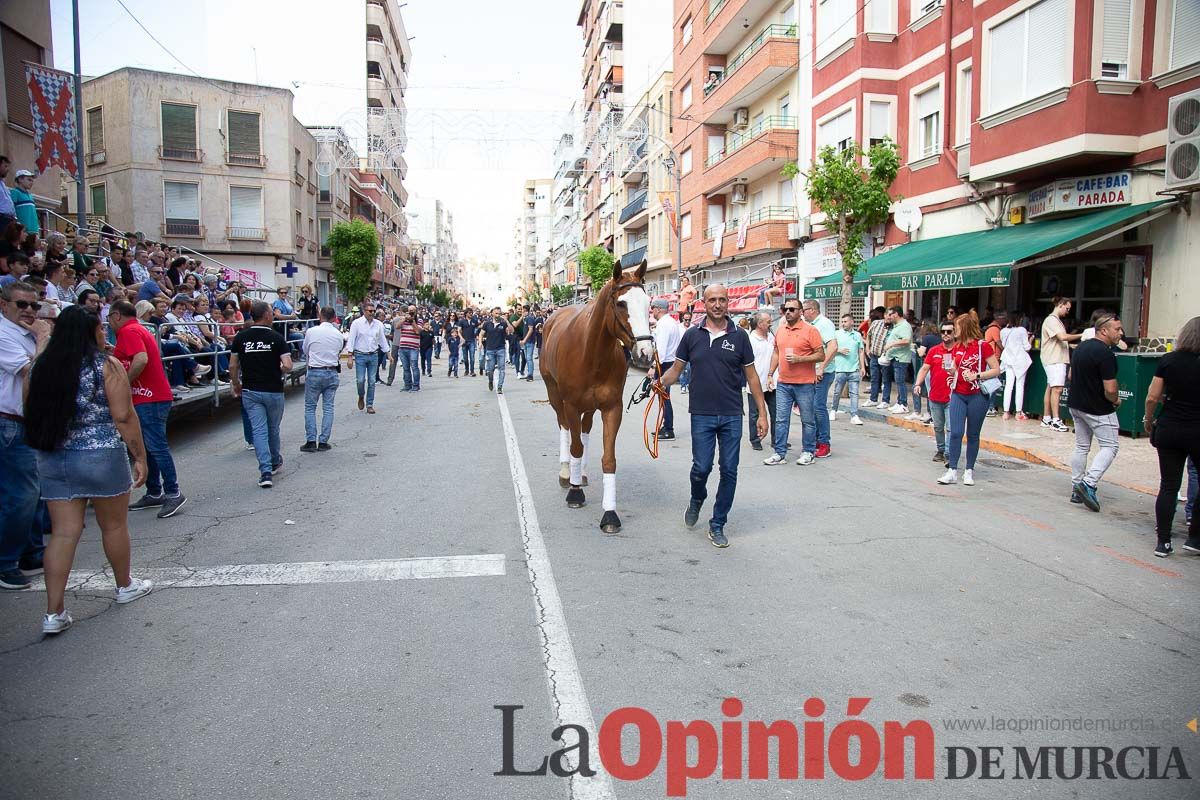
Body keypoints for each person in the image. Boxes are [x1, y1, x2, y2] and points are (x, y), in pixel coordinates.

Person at [24, 306, 154, 634]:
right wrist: (139, 456)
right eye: (100, 328)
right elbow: (123, 416)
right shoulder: (105, 365)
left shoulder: (40, 366)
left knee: (64, 532)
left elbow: (29, 407)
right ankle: (124, 585)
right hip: (100, 454)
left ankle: (54, 611)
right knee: (113, 526)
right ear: (92, 331)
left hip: (54, 457)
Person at [655, 284, 770, 548]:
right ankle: (697, 498)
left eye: (722, 300)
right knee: (701, 468)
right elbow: (676, 369)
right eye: (712, 300)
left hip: (731, 414)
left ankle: (717, 524)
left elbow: (752, 378)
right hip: (702, 414)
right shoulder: (692, 336)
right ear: (703, 304)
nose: (717, 304)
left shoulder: (740, 336)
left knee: (729, 470)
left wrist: (762, 414)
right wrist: (659, 382)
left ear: (727, 303)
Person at [108, 300, 186, 518]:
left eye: (108, 319)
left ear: (116, 316)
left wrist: (124, 382)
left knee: (156, 445)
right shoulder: (138, 329)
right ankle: (154, 492)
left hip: (149, 398)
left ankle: (173, 492)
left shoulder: (129, 331)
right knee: (148, 446)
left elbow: (140, 359)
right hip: (150, 396)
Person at [0, 282, 51, 590]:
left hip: (27, 420)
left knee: (34, 492)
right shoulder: (5, 334)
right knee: (21, 495)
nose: (30, 311)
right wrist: (44, 337)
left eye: (34, 305)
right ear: (4, 304)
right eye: (22, 305)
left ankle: (30, 552)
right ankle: (6, 561)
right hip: (9, 422)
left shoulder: (24, 334)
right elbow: (34, 372)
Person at [1064, 312, 1124, 512]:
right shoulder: (1106, 354)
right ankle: (1088, 484)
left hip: (1076, 404)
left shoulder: (1081, 347)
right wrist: (1115, 400)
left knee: (1082, 446)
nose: (1120, 333)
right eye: (1117, 329)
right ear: (1104, 330)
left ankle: (1076, 486)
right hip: (1098, 408)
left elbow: (1071, 375)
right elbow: (1111, 389)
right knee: (1110, 446)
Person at [230, 301, 292, 488]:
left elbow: (233, 365)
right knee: (272, 429)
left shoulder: (241, 337)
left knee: (258, 430)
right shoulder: (276, 337)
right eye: (272, 313)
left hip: (251, 390)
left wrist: (235, 383)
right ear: (266, 315)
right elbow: (288, 365)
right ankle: (274, 461)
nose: (273, 316)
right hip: (273, 389)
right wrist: (278, 369)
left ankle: (265, 471)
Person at [937, 314, 1001, 486]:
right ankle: (952, 470)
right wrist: (951, 370)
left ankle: (969, 470)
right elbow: (956, 368)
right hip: (958, 393)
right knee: (956, 432)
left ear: (964, 328)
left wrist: (977, 375)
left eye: (956, 327)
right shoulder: (957, 347)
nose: (954, 330)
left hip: (977, 395)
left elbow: (996, 370)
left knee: (973, 434)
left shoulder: (983, 347)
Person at [764, 300, 824, 466]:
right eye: (785, 309)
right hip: (783, 382)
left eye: (792, 309)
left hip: (804, 383)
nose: (787, 312)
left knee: (808, 420)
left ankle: (808, 452)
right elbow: (777, 352)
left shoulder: (810, 331)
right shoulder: (781, 330)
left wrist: (800, 359)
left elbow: (821, 355)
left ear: (800, 312)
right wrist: (770, 374)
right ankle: (779, 453)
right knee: (781, 419)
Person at [300, 307, 343, 453]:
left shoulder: (311, 332)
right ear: (333, 317)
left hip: (315, 370)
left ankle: (311, 440)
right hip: (331, 371)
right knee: (328, 407)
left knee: (310, 407)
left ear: (320, 316)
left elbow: (305, 350)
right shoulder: (338, 334)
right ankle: (324, 441)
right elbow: (338, 350)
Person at [913, 320, 956, 463]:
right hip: (935, 396)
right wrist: (918, 384)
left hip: (952, 397)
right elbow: (924, 368)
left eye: (949, 332)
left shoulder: (959, 350)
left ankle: (949, 454)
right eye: (943, 332)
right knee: (938, 427)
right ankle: (941, 450)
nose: (945, 334)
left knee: (950, 427)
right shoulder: (934, 350)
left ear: (955, 333)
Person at [801, 299, 838, 457]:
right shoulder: (811, 325)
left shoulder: (824, 324)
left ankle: (824, 443)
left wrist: (822, 367)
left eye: (804, 310)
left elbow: (833, 346)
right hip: (812, 372)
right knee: (811, 408)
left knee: (818, 407)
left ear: (812, 310)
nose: (802, 313)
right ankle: (816, 439)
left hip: (823, 372)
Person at [1040, 297, 1082, 432]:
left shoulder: (1053, 320)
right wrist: (1083, 334)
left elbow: (1061, 340)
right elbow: (1062, 337)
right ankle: (1056, 420)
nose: (1068, 312)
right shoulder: (1052, 320)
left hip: (1052, 357)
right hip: (1055, 359)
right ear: (1060, 305)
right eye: (1067, 308)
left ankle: (1047, 418)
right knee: (1057, 389)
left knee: (1051, 387)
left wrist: (1071, 345)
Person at [648, 298, 682, 439]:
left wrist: (653, 367)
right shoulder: (671, 323)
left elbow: (660, 351)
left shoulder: (663, 325)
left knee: (664, 398)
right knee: (663, 397)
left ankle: (669, 429)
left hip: (664, 364)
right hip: (670, 362)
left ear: (659, 309)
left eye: (653, 308)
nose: (652, 311)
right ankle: (666, 426)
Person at [345, 303, 387, 411]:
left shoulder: (378, 324)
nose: (372, 313)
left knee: (372, 381)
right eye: (370, 311)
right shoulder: (356, 323)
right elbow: (351, 340)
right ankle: (361, 395)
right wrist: (350, 356)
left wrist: (388, 353)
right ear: (364, 311)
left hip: (373, 355)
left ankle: (369, 404)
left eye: (374, 311)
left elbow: (382, 339)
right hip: (360, 355)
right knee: (360, 380)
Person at [746, 311, 777, 451]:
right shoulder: (750, 340)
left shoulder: (771, 337)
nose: (770, 323)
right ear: (759, 324)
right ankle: (755, 439)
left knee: (776, 413)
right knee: (755, 414)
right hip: (755, 384)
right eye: (768, 321)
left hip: (772, 383)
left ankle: (777, 439)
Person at [830, 313, 865, 425]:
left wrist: (862, 367)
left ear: (851, 322)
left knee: (854, 393)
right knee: (837, 392)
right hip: (840, 369)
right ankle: (833, 410)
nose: (843, 324)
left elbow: (861, 351)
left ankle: (854, 414)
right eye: (842, 321)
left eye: (845, 321)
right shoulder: (836, 334)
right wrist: (839, 350)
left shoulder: (857, 335)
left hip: (854, 369)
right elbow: (830, 348)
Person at [998, 312, 1033, 420]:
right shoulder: (1022, 330)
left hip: (1008, 360)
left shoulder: (1003, 331)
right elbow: (1027, 347)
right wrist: (1031, 339)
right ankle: (1018, 413)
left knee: (1008, 386)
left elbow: (1003, 345)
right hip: (1020, 360)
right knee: (1019, 386)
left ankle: (1005, 412)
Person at [881, 305, 913, 414]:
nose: (889, 317)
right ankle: (899, 402)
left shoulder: (904, 326)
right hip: (895, 357)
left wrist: (891, 344)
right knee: (897, 381)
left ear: (896, 314)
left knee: (900, 381)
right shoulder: (897, 326)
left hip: (901, 358)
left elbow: (906, 340)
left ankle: (904, 404)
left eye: (890, 314)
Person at [481, 307, 512, 394]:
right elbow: (481, 333)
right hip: (490, 349)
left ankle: (499, 387)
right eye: (496, 313)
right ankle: (490, 381)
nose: (498, 315)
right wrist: (480, 343)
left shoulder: (503, 324)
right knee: (490, 370)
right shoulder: (487, 324)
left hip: (501, 349)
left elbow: (511, 331)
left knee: (502, 369)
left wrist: (507, 321)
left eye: (499, 313)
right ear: (492, 314)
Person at [863, 307, 889, 407]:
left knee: (886, 379)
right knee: (874, 378)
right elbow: (868, 335)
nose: (888, 317)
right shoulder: (876, 323)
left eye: (890, 315)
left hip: (885, 356)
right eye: (887, 314)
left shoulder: (893, 326)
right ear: (884, 315)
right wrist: (867, 349)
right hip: (874, 355)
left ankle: (885, 400)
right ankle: (873, 399)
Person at [388, 310, 420, 390]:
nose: (410, 315)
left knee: (414, 367)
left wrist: (412, 321)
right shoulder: (403, 322)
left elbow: (417, 331)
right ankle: (407, 385)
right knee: (406, 368)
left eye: (412, 313)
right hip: (403, 347)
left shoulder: (418, 321)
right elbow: (397, 327)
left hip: (413, 348)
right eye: (409, 313)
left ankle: (416, 385)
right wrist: (404, 319)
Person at [10, 169, 39, 235]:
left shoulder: (30, 195)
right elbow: (11, 211)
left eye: (32, 180)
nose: (31, 182)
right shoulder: (15, 192)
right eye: (29, 180)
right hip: (22, 231)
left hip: (34, 230)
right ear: (20, 179)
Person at [520, 304, 539, 381]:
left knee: (529, 358)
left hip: (529, 341)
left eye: (522, 310)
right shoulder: (525, 319)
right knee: (527, 358)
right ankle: (528, 373)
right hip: (526, 341)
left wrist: (524, 340)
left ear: (525, 310)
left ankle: (530, 375)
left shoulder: (529, 318)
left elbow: (530, 330)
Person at [459, 311, 478, 376]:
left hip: (472, 341)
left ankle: (472, 371)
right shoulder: (462, 321)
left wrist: (477, 335)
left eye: (471, 313)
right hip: (464, 341)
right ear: (466, 313)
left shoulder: (474, 321)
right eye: (469, 313)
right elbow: (459, 331)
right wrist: (461, 338)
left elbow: (477, 328)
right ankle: (466, 370)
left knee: (472, 357)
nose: (471, 314)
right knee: (465, 358)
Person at [0, 156, 16, 232]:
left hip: (9, 219)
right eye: (5, 166)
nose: (8, 169)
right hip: (2, 218)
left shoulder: (3, 185)